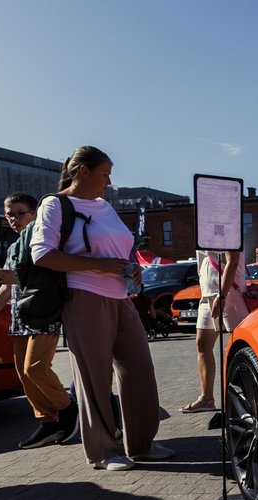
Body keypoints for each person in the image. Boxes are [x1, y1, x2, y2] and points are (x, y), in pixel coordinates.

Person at [30, 145, 172, 471]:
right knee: (94, 377)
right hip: (83, 297)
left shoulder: (104, 206)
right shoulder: (55, 205)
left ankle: (141, 444)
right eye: (105, 173)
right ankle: (105, 451)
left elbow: (119, 249)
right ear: (84, 171)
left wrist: (131, 267)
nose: (108, 181)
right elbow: (43, 254)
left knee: (139, 369)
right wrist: (99, 266)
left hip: (121, 297)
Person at [0, 193, 79, 449]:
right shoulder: (14, 247)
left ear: (34, 214)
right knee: (23, 373)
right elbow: (6, 289)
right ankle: (47, 422)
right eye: (9, 214)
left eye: (20, 213)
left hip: (44, 313)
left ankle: (68, 409)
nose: (14, 219)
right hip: (21, 315)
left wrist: (14, 278)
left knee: (35, 368)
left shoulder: (44, 239)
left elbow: (52, 277)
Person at [180, 249, 249, 413]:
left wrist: (222, 295)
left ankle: (252, 398)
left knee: (243, 347)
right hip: (207, 294)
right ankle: (206, 398)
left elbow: (232, 261)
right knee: (202, 344)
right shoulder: (202, 229)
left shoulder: (227, 226)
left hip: (230, 294)